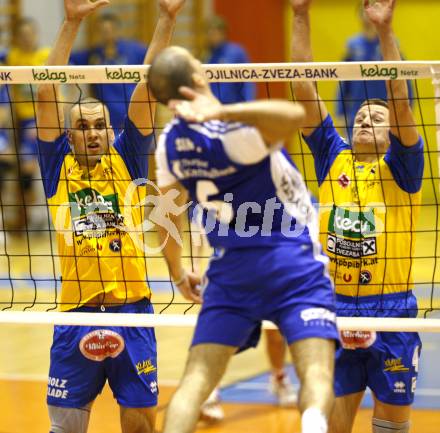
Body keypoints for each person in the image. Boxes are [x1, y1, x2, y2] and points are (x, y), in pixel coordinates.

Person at [149, 45, 339, 433]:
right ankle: (314, 423)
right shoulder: (234, 132)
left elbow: (166, 216)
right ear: (198, 78)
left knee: (196, 380)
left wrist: (177, 271)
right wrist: (222, 111)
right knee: (317, 372)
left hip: (230, 269)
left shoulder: (169, 143)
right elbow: (293, 115)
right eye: (198, 61)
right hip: (290, 259)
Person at [35, 0, 184, 432]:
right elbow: (45, 90)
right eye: (83, 126)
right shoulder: (55, 166)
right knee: (64, 429)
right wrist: (72, 21)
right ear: (68, 134)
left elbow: (149, 85)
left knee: (140, 425)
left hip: (131, 312)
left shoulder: (127, 157)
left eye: (99, 125)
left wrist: (167, 18)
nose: (93, 133)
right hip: (76, 314)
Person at [290, 1, 423, 432]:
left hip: (391, 311)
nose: (365, 118)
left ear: (393, 133)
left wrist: (385, 30)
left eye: (376, 117)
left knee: (391, 426)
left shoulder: (403, 166)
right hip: (337, 308)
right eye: (361, 115)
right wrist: (299, 13)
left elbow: (399, 97)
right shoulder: (334, 157)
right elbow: (303, 87)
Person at [335, 1, 412, 139]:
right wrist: (341, 114)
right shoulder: (353, 46)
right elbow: (342, 82)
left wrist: (407, 109)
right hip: (358, 112)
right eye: (365, 9)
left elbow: (404, 78)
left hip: (386, 113)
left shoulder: (391, 43)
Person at [2, 18, 50, 230]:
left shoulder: (46, 56)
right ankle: (33, 218)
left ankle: (42, 217)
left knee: (45, 168)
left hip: (43, 118)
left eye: (29, 34)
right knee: (26, 171)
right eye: (22, 35)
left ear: (36, 34)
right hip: (22, 122)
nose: (26, 38)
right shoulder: (12, 57)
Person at [70, 13, 147, 132]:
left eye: (110, 30)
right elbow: (69, 61)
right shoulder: (93, 54)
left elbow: (153, 67)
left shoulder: (135, 50)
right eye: (103, 31)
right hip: (106, 117)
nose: (107, 34)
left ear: (117, 30)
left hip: (132, 113)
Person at [205, 15, 256, 104]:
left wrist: (249, 103)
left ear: (223, 33)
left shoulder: (236, 52)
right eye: (209, 32)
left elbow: (248, 81)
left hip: (235, 106)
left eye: (214, 31)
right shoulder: (207, 56)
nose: (211, 35)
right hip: (215, 107)